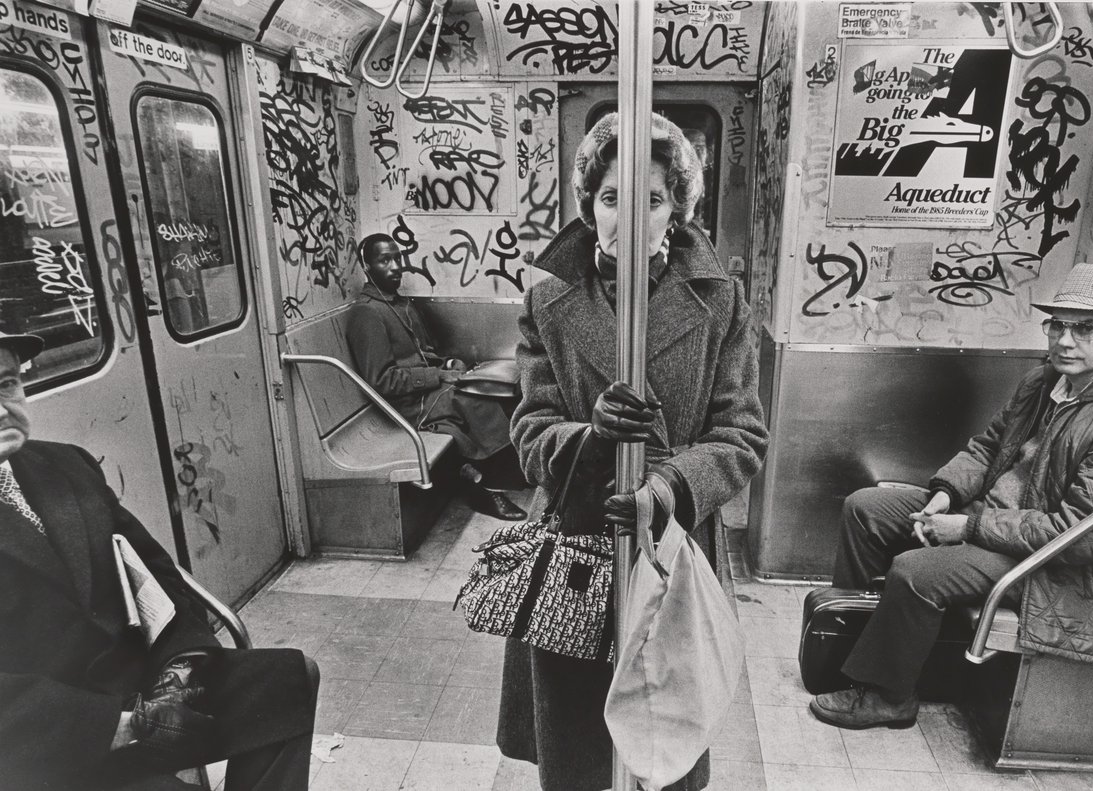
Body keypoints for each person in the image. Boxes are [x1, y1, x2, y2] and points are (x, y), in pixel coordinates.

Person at [496, 112, 769, 791]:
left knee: (664, 731)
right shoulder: (548, 300)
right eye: (613, 198)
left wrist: (669, 485)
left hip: (669, 538)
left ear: (676, 205)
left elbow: (741, 433)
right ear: (589, 205)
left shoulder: (721, 302)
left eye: (650, 199)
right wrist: (586, 435)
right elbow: (530, 431)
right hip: (576, 540)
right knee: (580, 751)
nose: (631, 217)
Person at [810, 262, 1093, 730]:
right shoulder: (1045, 382)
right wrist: (946, 494)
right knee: (866, 509)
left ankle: (890, 695)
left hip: (1060, 565)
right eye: (1058, 326)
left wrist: (966, 528)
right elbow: (989, 448)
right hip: (994, 520)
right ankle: (865, 647)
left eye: (1086, 329)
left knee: (916, 571)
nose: (1065, 341)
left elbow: (1078, 535)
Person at [0, 330, 320, 790]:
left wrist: (179, 672)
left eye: (7, 384)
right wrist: (119, 726)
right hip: (49, 740)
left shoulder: (67, 467)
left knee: (289, 679)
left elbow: (157, 575)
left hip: (141, 689)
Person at [345, 234, 527, 521]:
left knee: (491, 389)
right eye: (384, 261)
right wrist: (437, 375)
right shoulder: (367, 314)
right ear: (367, 268)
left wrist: (449, 363)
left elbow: (426, 353)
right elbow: (381, 381)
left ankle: (508, 472)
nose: (395, 267)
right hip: (408, 404)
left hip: (427, 391)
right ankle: (484, 486)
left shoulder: (402, 305)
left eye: (397, 258)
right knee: (472, 400)